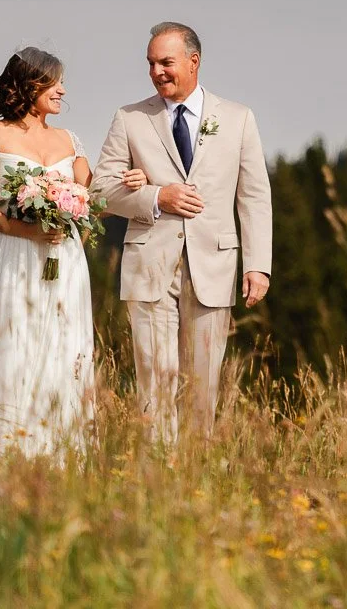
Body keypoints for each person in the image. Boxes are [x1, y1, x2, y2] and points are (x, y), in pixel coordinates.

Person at [94, 22, 272, 441]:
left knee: (202, 387)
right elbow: (99, 192)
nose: (157, 72)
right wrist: (157, 197)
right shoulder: (130, 118)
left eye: (166, 62)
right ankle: (157, 479)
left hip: (214, 267)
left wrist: (258, 265)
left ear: (194, 62)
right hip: (150, 268)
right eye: (151, 63)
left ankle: (194, 479)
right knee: (155, 386)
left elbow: (254, 196)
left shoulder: (238, 118)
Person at [0, 47, 98, 454]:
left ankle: (61, 453)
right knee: (13, 348)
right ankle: (5, 451)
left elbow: (93, 195)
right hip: (15, 257)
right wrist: (22, 230)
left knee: (66, 353)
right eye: (56, 82)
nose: (63, 90)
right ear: (31, 84)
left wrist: (128, 182)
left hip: (65, 261)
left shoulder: (71, 140)